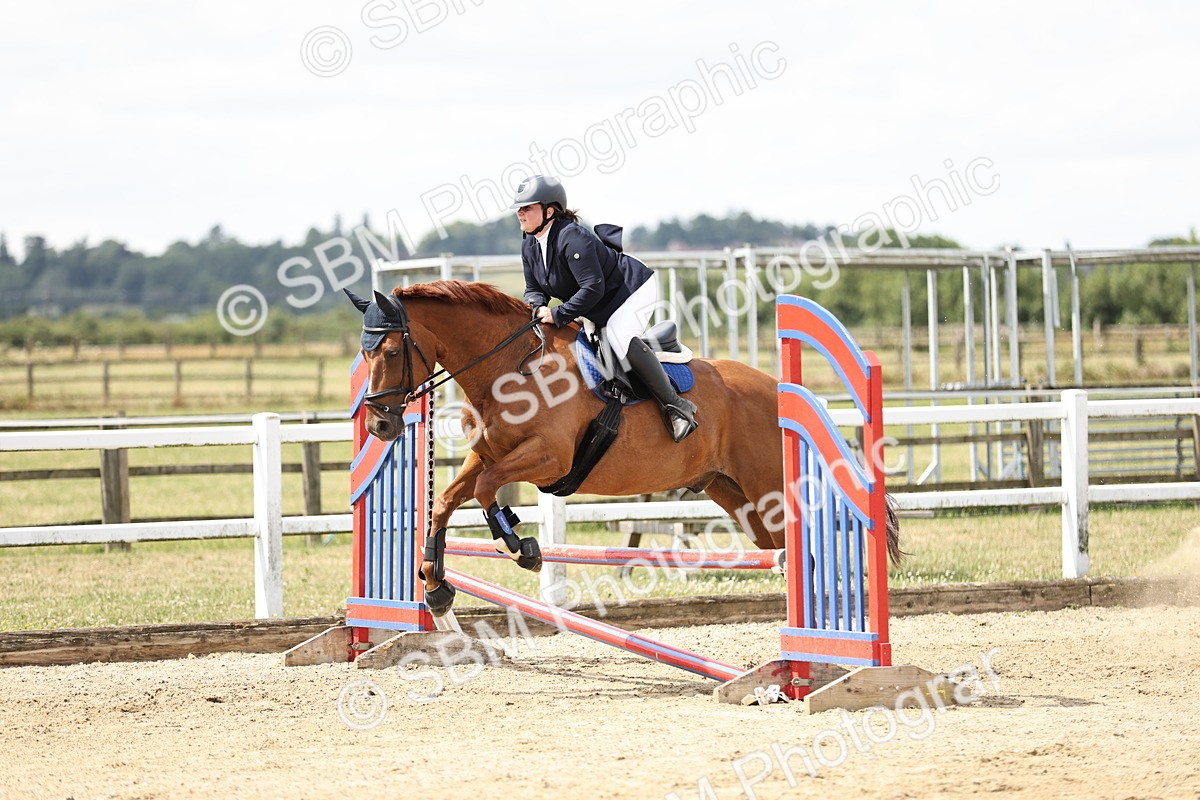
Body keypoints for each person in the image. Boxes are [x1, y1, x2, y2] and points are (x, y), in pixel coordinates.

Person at [511, 175, 697, 442]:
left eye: (527, 207)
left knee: (619, 337)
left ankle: (677, 407)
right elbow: (533, 288)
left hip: (630, 291)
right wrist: (536, 306)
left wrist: (558, 313)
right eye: (519, 208)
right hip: (595, 303)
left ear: (549, 211)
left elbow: (592, 288)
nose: (520, 213)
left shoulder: (572, 237)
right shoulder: (529, 243)